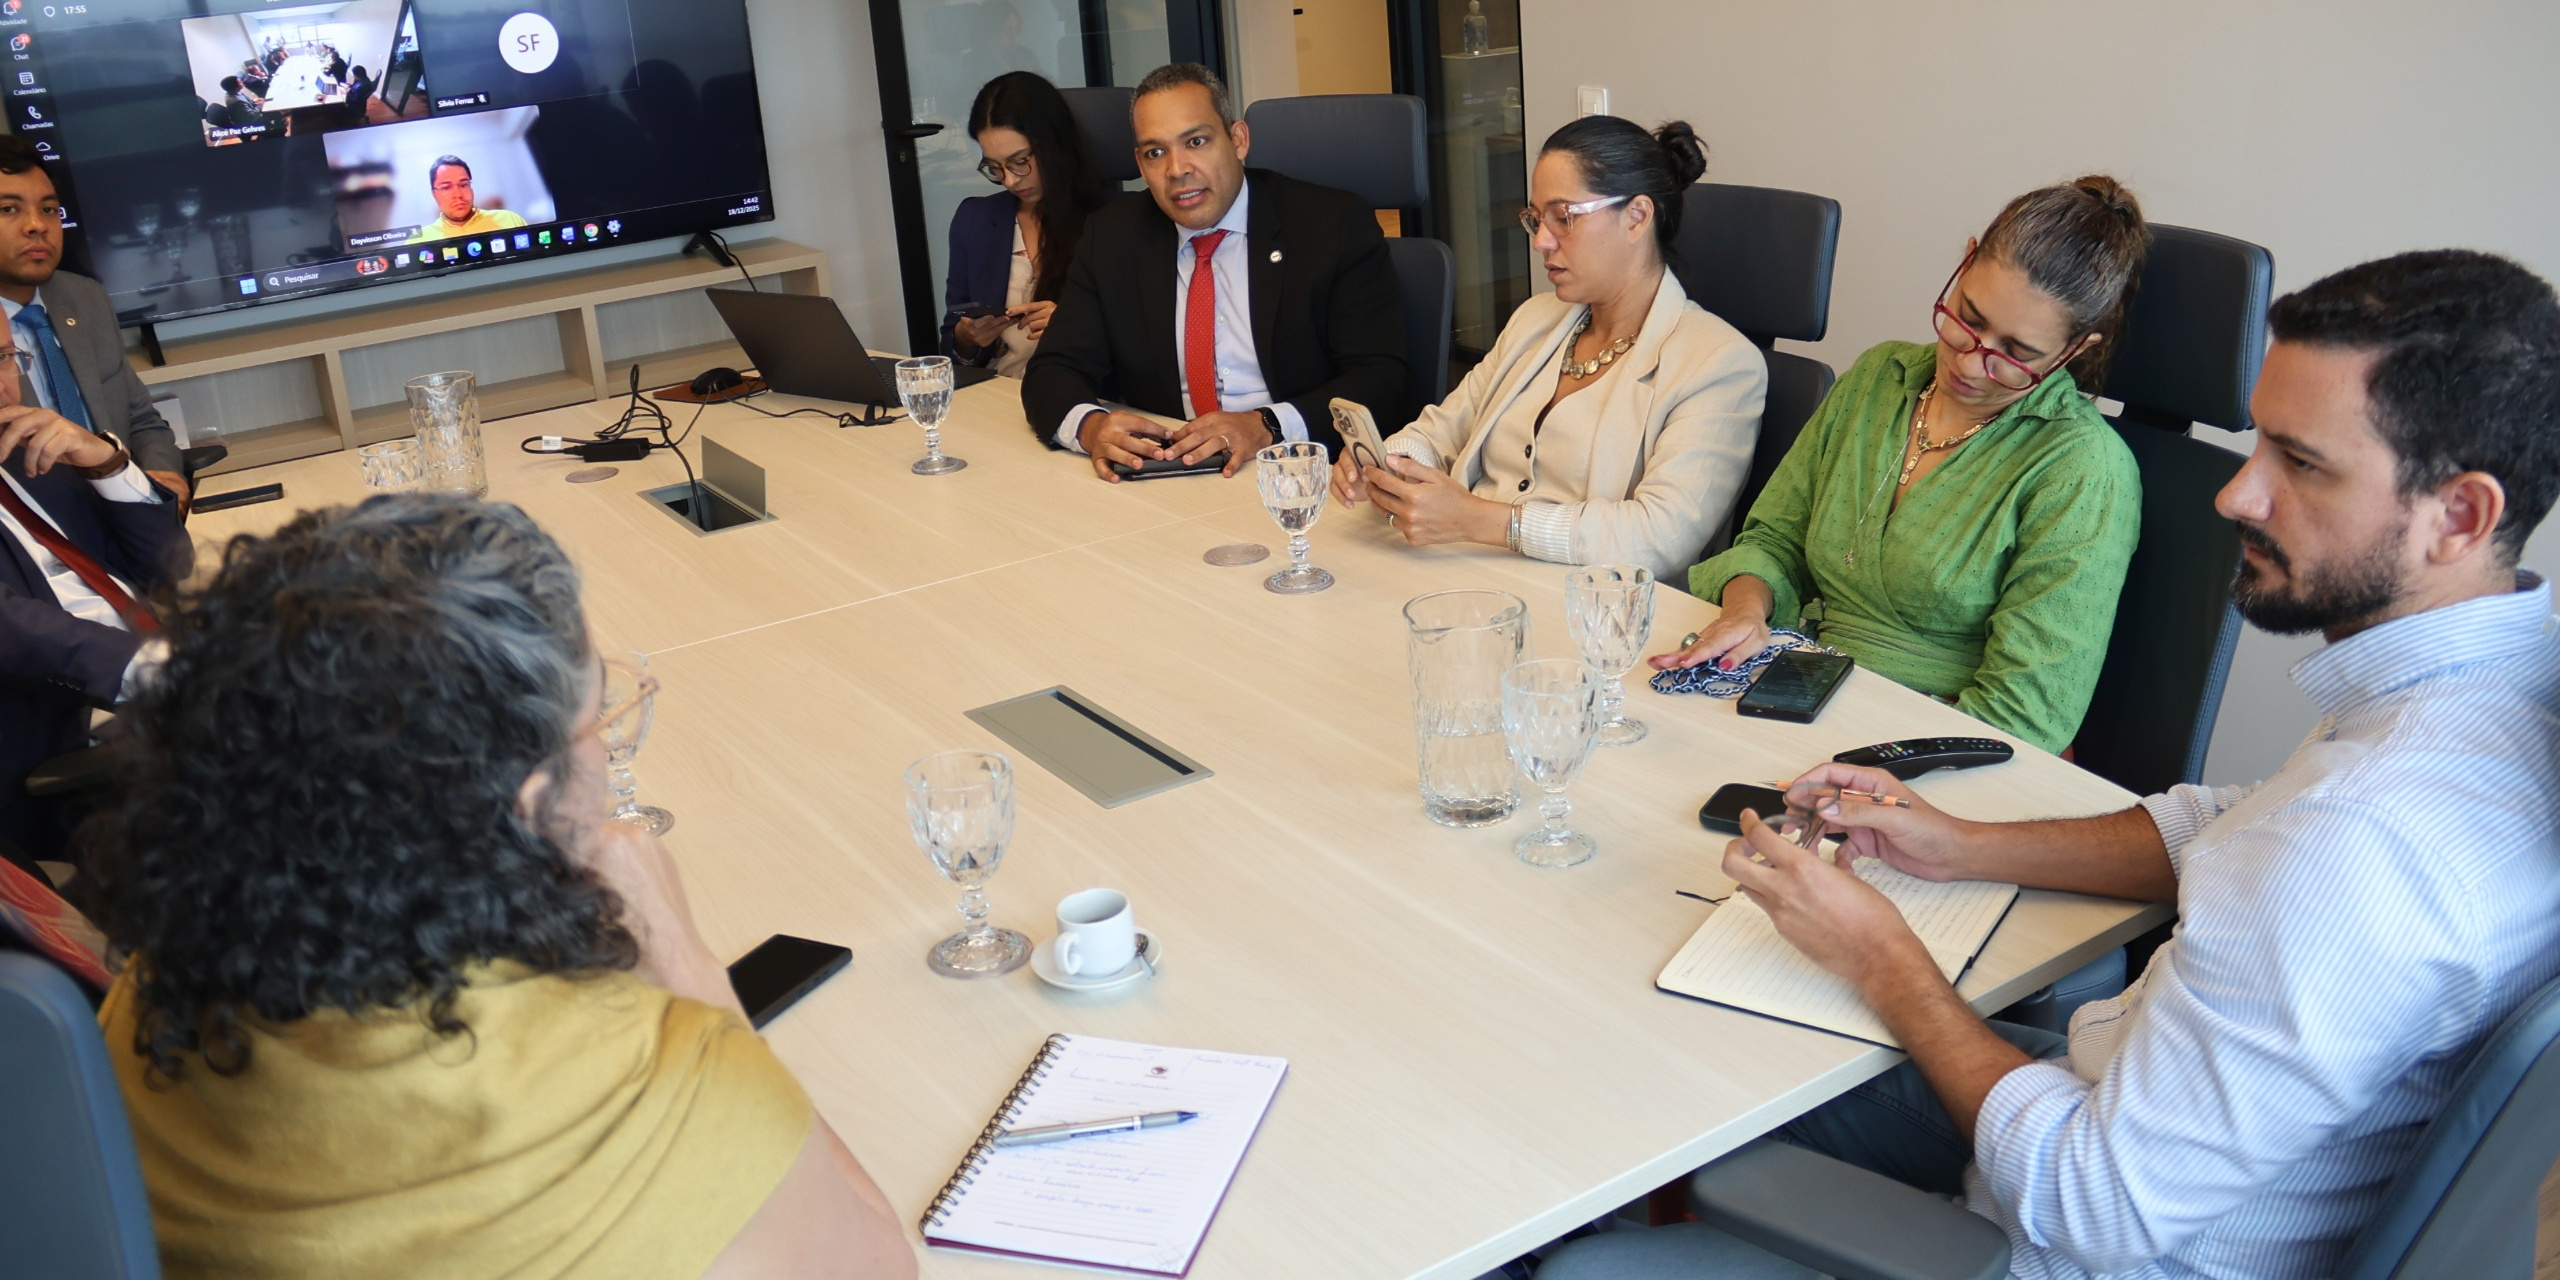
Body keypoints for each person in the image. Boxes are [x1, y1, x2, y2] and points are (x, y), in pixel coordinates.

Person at [1538, 249, 2560, 1280]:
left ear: (2459, 515)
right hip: (2117, 1107)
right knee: (1685, 1041)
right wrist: (1957, 843)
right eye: (2258, 442)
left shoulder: (2362, 835)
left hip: (2072, 1232)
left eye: (2300, 462)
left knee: (1611, 1172)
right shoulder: (2479, 701)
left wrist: (1883, 956)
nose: (2236, 495)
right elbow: (2234, 823)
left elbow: (2091, 1205)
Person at [81, 495, 917, 1280]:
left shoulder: (148, 1003)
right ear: (528, 800)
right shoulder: (638, 1085)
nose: (607, 749)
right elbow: (878, 1261)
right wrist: (685, 963)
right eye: (599, 721)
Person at [1650, 177, 2150, 753]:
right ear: (1965, 262)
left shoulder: (2084, 470)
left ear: (2076, 349)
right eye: (1968, 319)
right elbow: (1774, 540)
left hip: (1939, 745)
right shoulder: (1879, 378)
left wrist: (1876, 759)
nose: (1971, 362)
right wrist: (1745, 611)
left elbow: (2025, 715)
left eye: (2015, 355)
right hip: (1795, 689)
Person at [1329, 116, 1763, 582]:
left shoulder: (1719, 363)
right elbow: (1443, 430)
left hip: (1587, 605)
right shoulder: (1536, 319)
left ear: (1637, 217)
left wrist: (1480, 520)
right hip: (1459, 573)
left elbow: (1659, 538)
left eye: (1564, 217)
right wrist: (1390, 465)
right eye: (1536, 219)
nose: (1541, 241)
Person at [1021, 62, 1405, 481]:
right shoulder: (1113, 237)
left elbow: (1382, 377)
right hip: (1169, 475)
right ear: (1140, 164)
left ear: (1238, 140)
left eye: (1196, 141)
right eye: (1155, 153)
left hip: (1299, 472)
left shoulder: (1331, 224)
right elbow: (1052, 369)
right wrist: (1091, 428)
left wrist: (1266, 425)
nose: (1177, 169)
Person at [0, 338, 187, 874]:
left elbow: (168, 564)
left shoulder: (27, 449)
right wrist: (178, 675)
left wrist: (106, 463)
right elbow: (22, 632)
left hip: (162, 679)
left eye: (2, 357)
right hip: (65, 742)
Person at [0, 135, 188, 499]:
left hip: (133, 511)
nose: (37, 225)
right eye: (8, 209)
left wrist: (163, 481)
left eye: (48, 209)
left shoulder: (85, 297)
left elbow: (143, 422)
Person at [943, 71, 1109, 379]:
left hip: (1083, 395)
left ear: (1054, 144)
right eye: (995, 167)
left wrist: (1074, 325)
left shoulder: (1113, 220)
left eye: (1019, 161)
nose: (1009, 180)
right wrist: (967, 338)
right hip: (998, 391)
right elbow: (952, 346)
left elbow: (1145, 338)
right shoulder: (975, 220)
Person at [406, 154, 530, 243]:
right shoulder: (420, 239)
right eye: (446, 187)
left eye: (463, 185)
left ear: (471, 188)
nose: (458, 194)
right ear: (434, 194)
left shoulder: (509, 219)